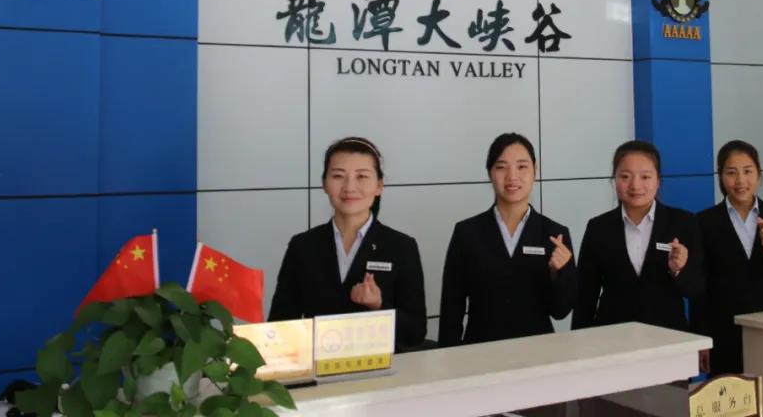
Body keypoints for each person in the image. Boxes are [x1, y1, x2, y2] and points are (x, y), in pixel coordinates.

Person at [268, 137, 427, 351]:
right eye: (338, 176)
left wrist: (378, 306)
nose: (349, 187)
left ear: (379, 186)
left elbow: (415, 332)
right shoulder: (302, 246)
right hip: (318, 365)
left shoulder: (401, 247)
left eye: (362, 176)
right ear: (324, 184)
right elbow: (280, 325)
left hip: (381, 367)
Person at [438, 133, 577, 346]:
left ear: (535, 171)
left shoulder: (554, 234)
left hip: (538, 352)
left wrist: (559, 273)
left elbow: (561, 311)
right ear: (490, 172)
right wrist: (449, 357)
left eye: (522, 167)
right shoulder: (467, 232)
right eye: (502, 167)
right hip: (480, 351)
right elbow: (451, 308)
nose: (512, 176)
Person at [694, 139, 763, 375]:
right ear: (721, 176)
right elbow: (700, 289)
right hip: (724, 332)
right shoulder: (704, 222)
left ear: (759, 174)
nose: (740, 181)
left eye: (747, 171)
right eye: (731, 172)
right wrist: (702, 340)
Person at [572, 140, 704, 332]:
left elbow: (696, 289)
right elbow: (585, 295)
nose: (635, 185)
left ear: (658, 181)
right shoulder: (598, 227)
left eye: (645, 177)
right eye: (625, 176)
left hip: (669, 336)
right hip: (612, 335)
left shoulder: (683, 222)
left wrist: (679, 270)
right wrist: (580, 340)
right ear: (614, 180)